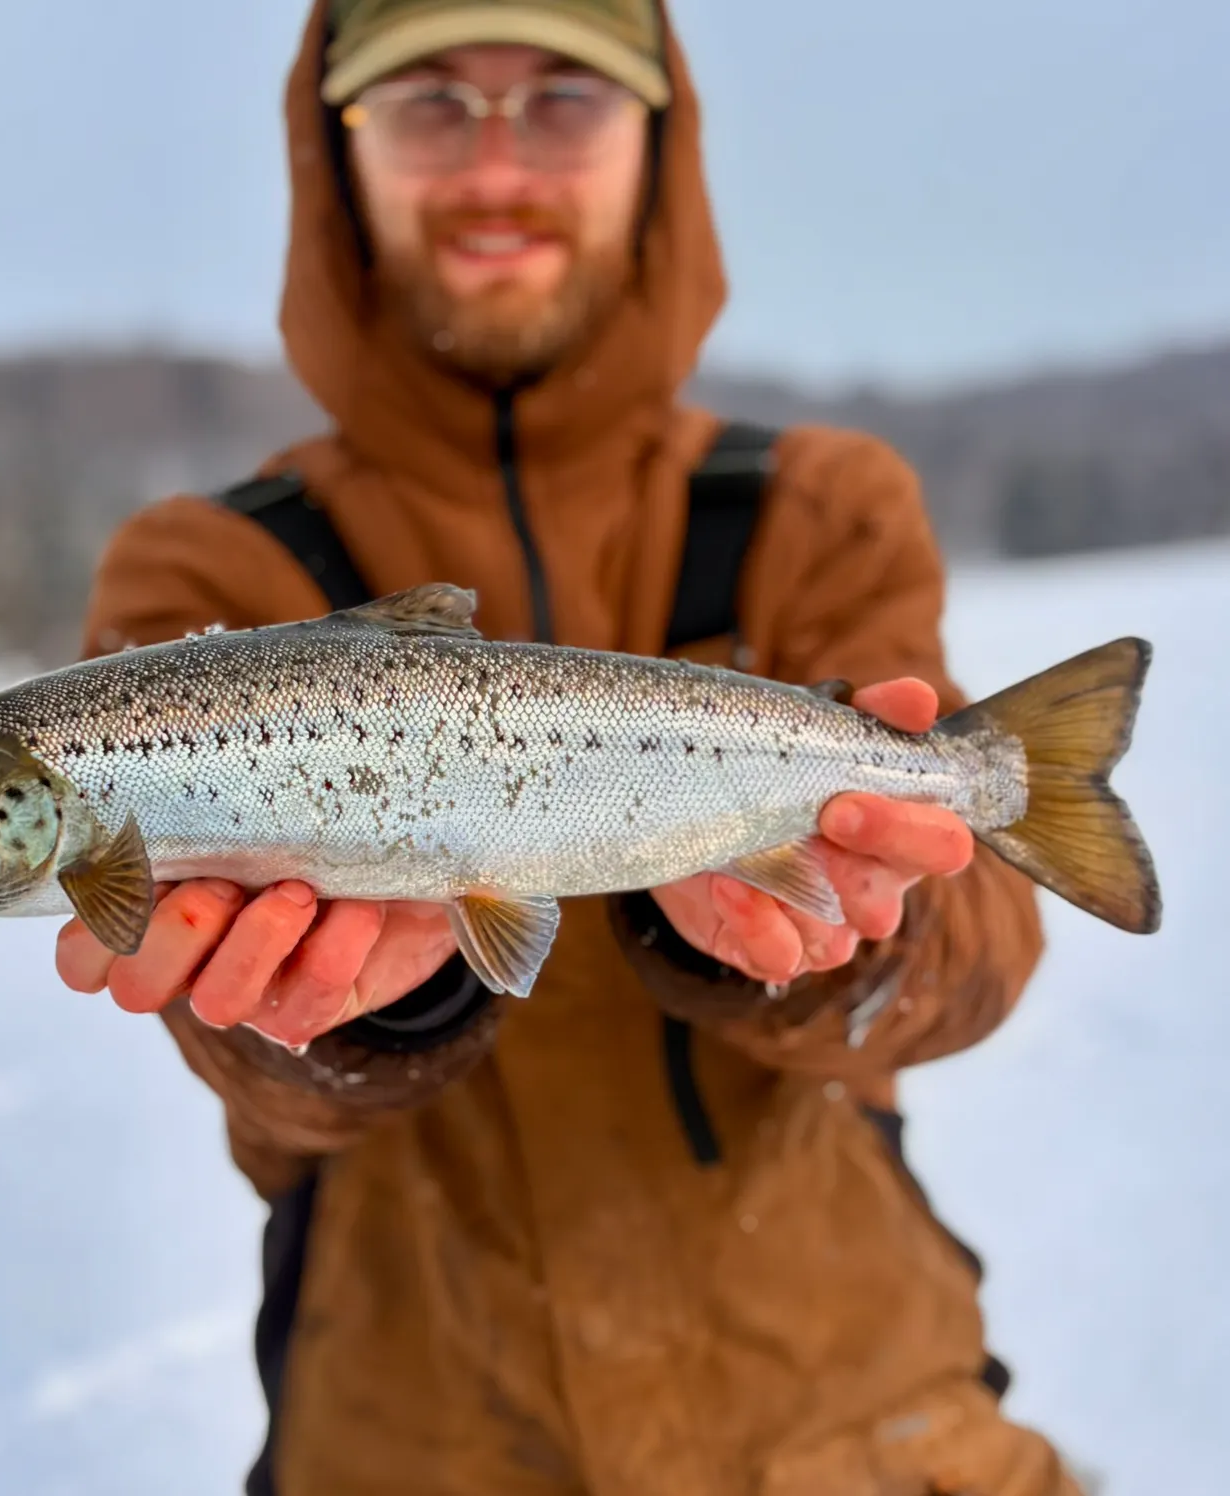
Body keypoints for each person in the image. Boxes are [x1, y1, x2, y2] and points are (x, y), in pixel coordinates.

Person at [59, 2, 1083, 1491]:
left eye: (560, 100)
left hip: (866, 1423)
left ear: (660, 144)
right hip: (409, 1433)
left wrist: (837, 930)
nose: (494, 166)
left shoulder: (819, 504)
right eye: (425, 105)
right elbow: (236, 1051)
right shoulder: (206, 574)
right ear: (330, 158)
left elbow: (976, 956)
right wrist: (356, 1016)